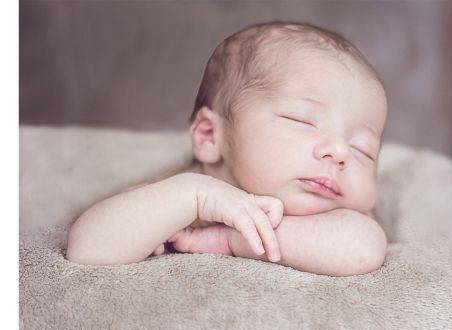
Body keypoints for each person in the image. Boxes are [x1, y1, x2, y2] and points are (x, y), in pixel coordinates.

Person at [66, 21, 388, 276]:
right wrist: (193, 197)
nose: (340, 152)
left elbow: (364, 248)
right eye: (302, 121)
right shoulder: (177, 193)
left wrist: (233, 240)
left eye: (363, 149)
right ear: (209, 136)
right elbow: (87, 247)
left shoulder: (340, 217)